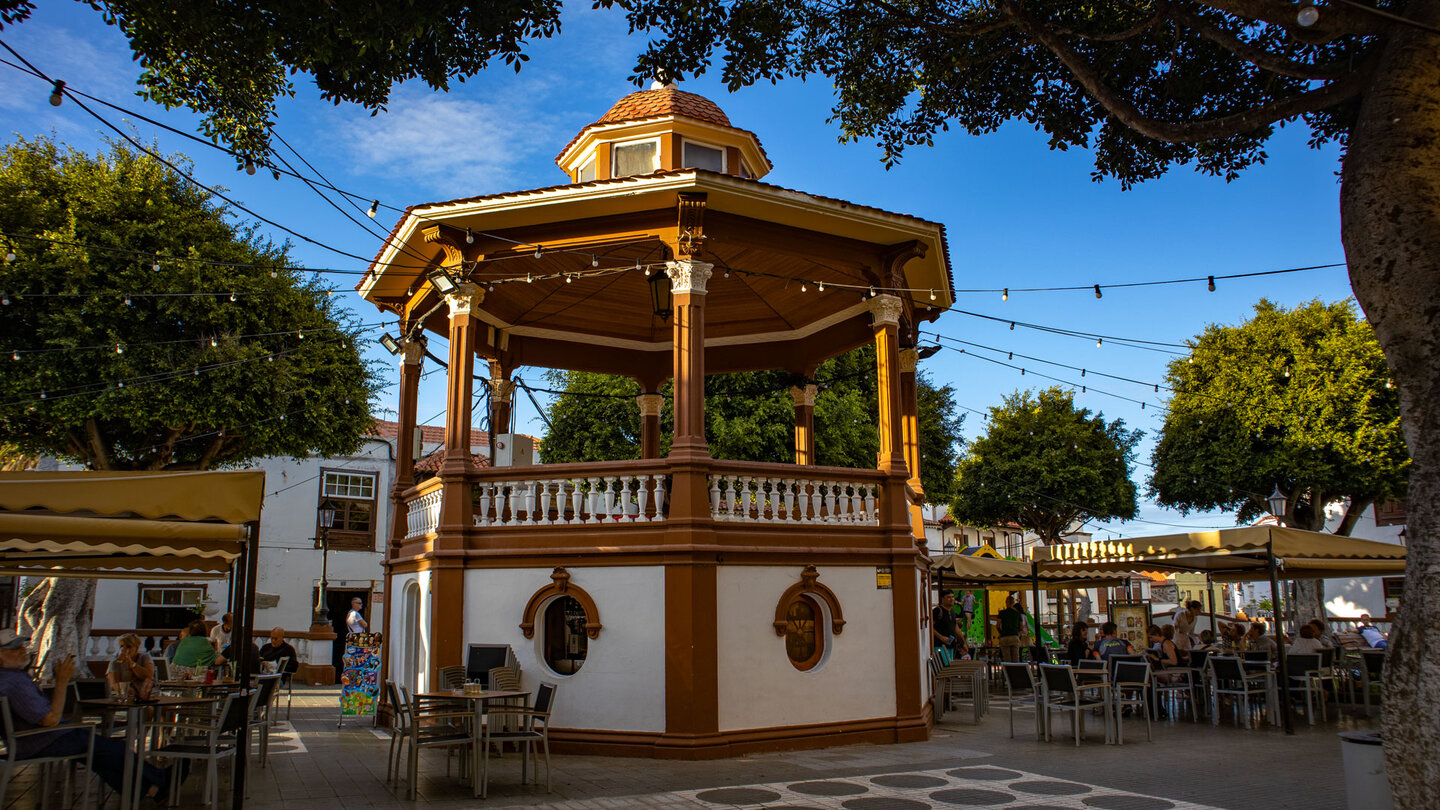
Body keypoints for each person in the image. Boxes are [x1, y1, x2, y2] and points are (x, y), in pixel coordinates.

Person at [0, 629, 171, 807]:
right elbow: (50, 719)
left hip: (35, 739)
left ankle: (154, 790)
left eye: (22, 646)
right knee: (113, 749)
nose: (22, 650)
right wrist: (62, 681)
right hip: (44, 739)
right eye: (14, 648)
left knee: (102, 757)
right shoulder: (13, 682)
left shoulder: (11, 678)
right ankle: (161, 780)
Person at [105, 633, 156, 698]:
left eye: (129, 646)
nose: (124, 649)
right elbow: (113, 684)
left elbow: (149, 676)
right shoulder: (115, 662)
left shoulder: (144, 657)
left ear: (136, 648)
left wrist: (132, 664)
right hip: (125, 696)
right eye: (122, 646)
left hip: (145, 696)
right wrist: (126, 689)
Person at [931, 589, 960, 655]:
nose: (951, 599)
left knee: (950, 664)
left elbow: (955, 627)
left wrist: (963, 642)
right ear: (943, 599)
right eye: (948, 597)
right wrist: (941, 637)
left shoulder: (952, 611)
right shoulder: (937, 611)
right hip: (939, 646)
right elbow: (930, 627)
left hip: (951, 646)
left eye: (952, 597)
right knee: (943, 663)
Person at [997, 595, 1023, 663]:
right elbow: (1021, 627)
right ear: (1013, 603)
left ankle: (1007, 672)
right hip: (1014, 636)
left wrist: (1001, 633)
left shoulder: (1002, 613)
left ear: (1006, 603)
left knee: (1006, 659)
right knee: (1015, 658)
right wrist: (1016, 631)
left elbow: (998, 625)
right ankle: (1015, 672)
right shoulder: (1017, 613)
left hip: (1004, 637)